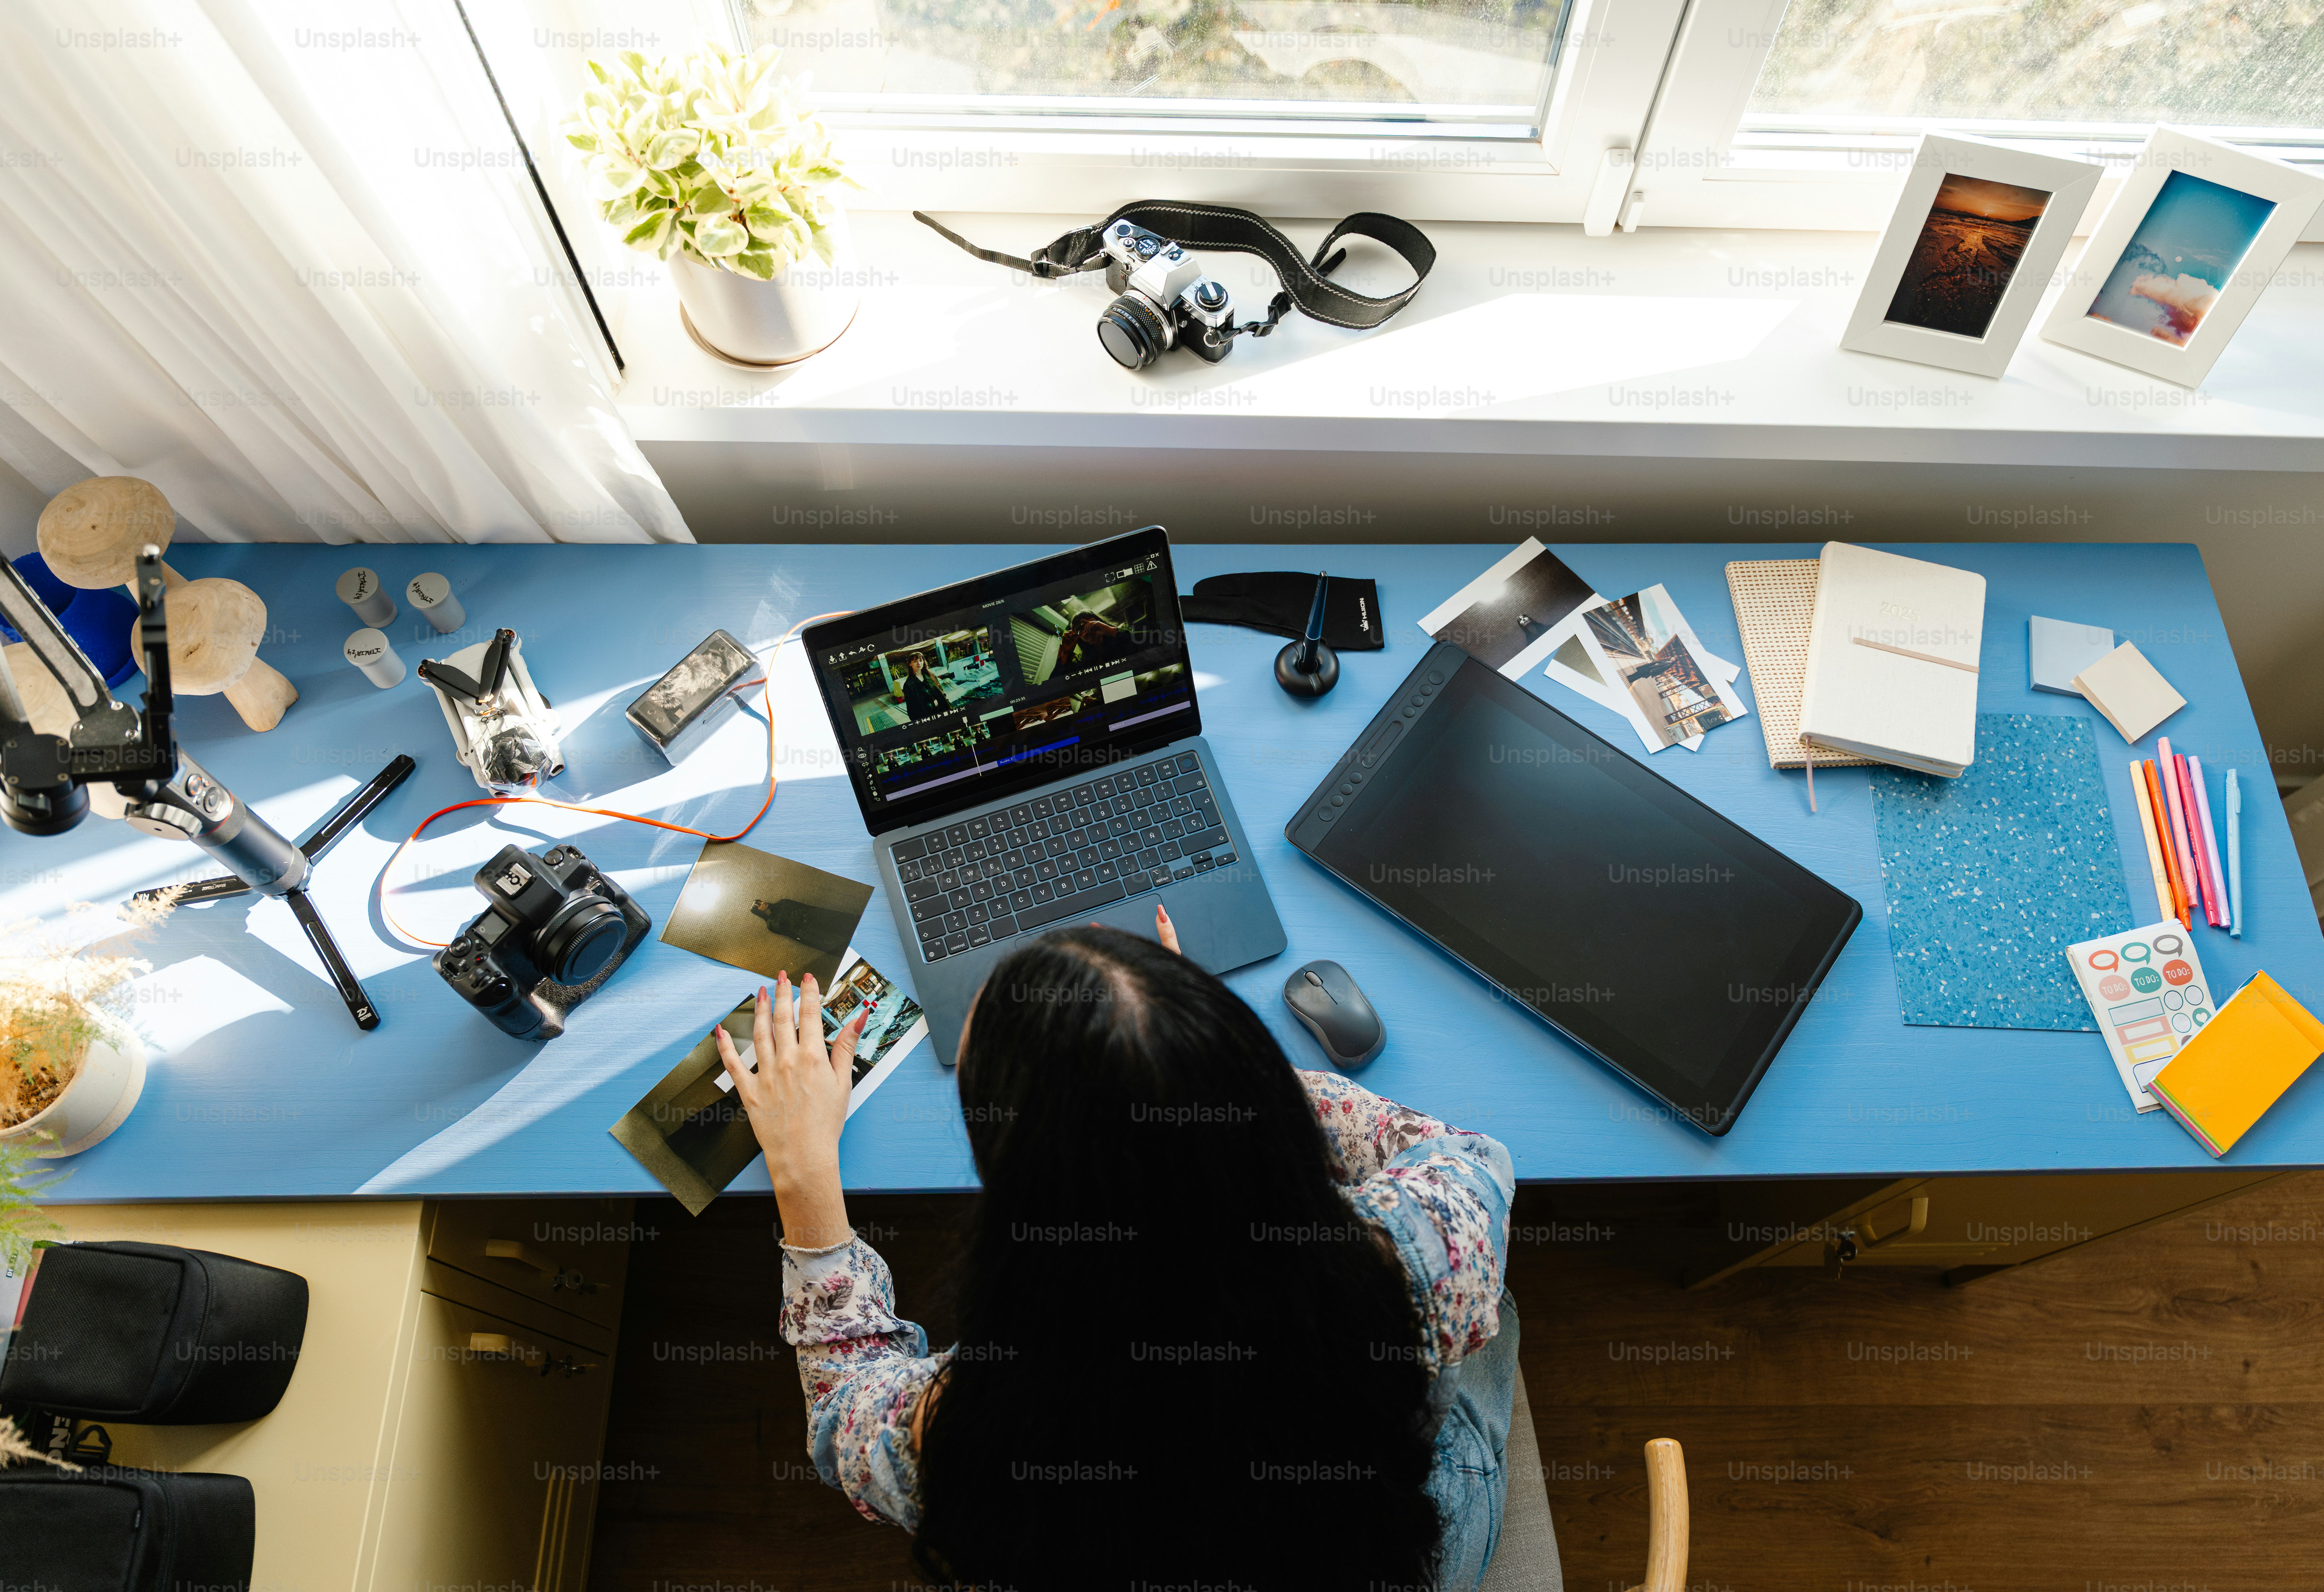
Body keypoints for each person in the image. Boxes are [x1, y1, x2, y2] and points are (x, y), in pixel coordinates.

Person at [715, 903, 1517, 1591]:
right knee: (1491, 1312)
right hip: (1383, 1551)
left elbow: (843, 1411)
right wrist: (1194, 1068)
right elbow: (1471, 1157)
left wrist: (803, 1175)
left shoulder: (967, 1426)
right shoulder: (1418, 1245)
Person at [898, 652, 949, 721]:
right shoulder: (909, 685)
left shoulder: (931, 676)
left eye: (921, 660)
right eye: (915, 661)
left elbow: (941, 692)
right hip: (926, 717)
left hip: (941, 711)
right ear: (910, 664)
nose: (919, 663)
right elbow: (912, 709)